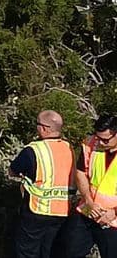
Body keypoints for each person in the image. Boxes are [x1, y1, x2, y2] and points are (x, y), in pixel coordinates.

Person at [8, 110, 74, 258]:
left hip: (37, 210)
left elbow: (12, 171)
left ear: (44, 128)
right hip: (62, 211)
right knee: (50, 251)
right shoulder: (69, 149)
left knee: (27, 251)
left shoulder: (34, 150)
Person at [66, 114, 117, 258]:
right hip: (87, 210)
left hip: (112, 221)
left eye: (105, 139)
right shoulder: (90, 143)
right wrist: (88, 200)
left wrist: (114, 212)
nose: (100, 142)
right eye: (98, 137)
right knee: (69, 251)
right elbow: (81, 173)